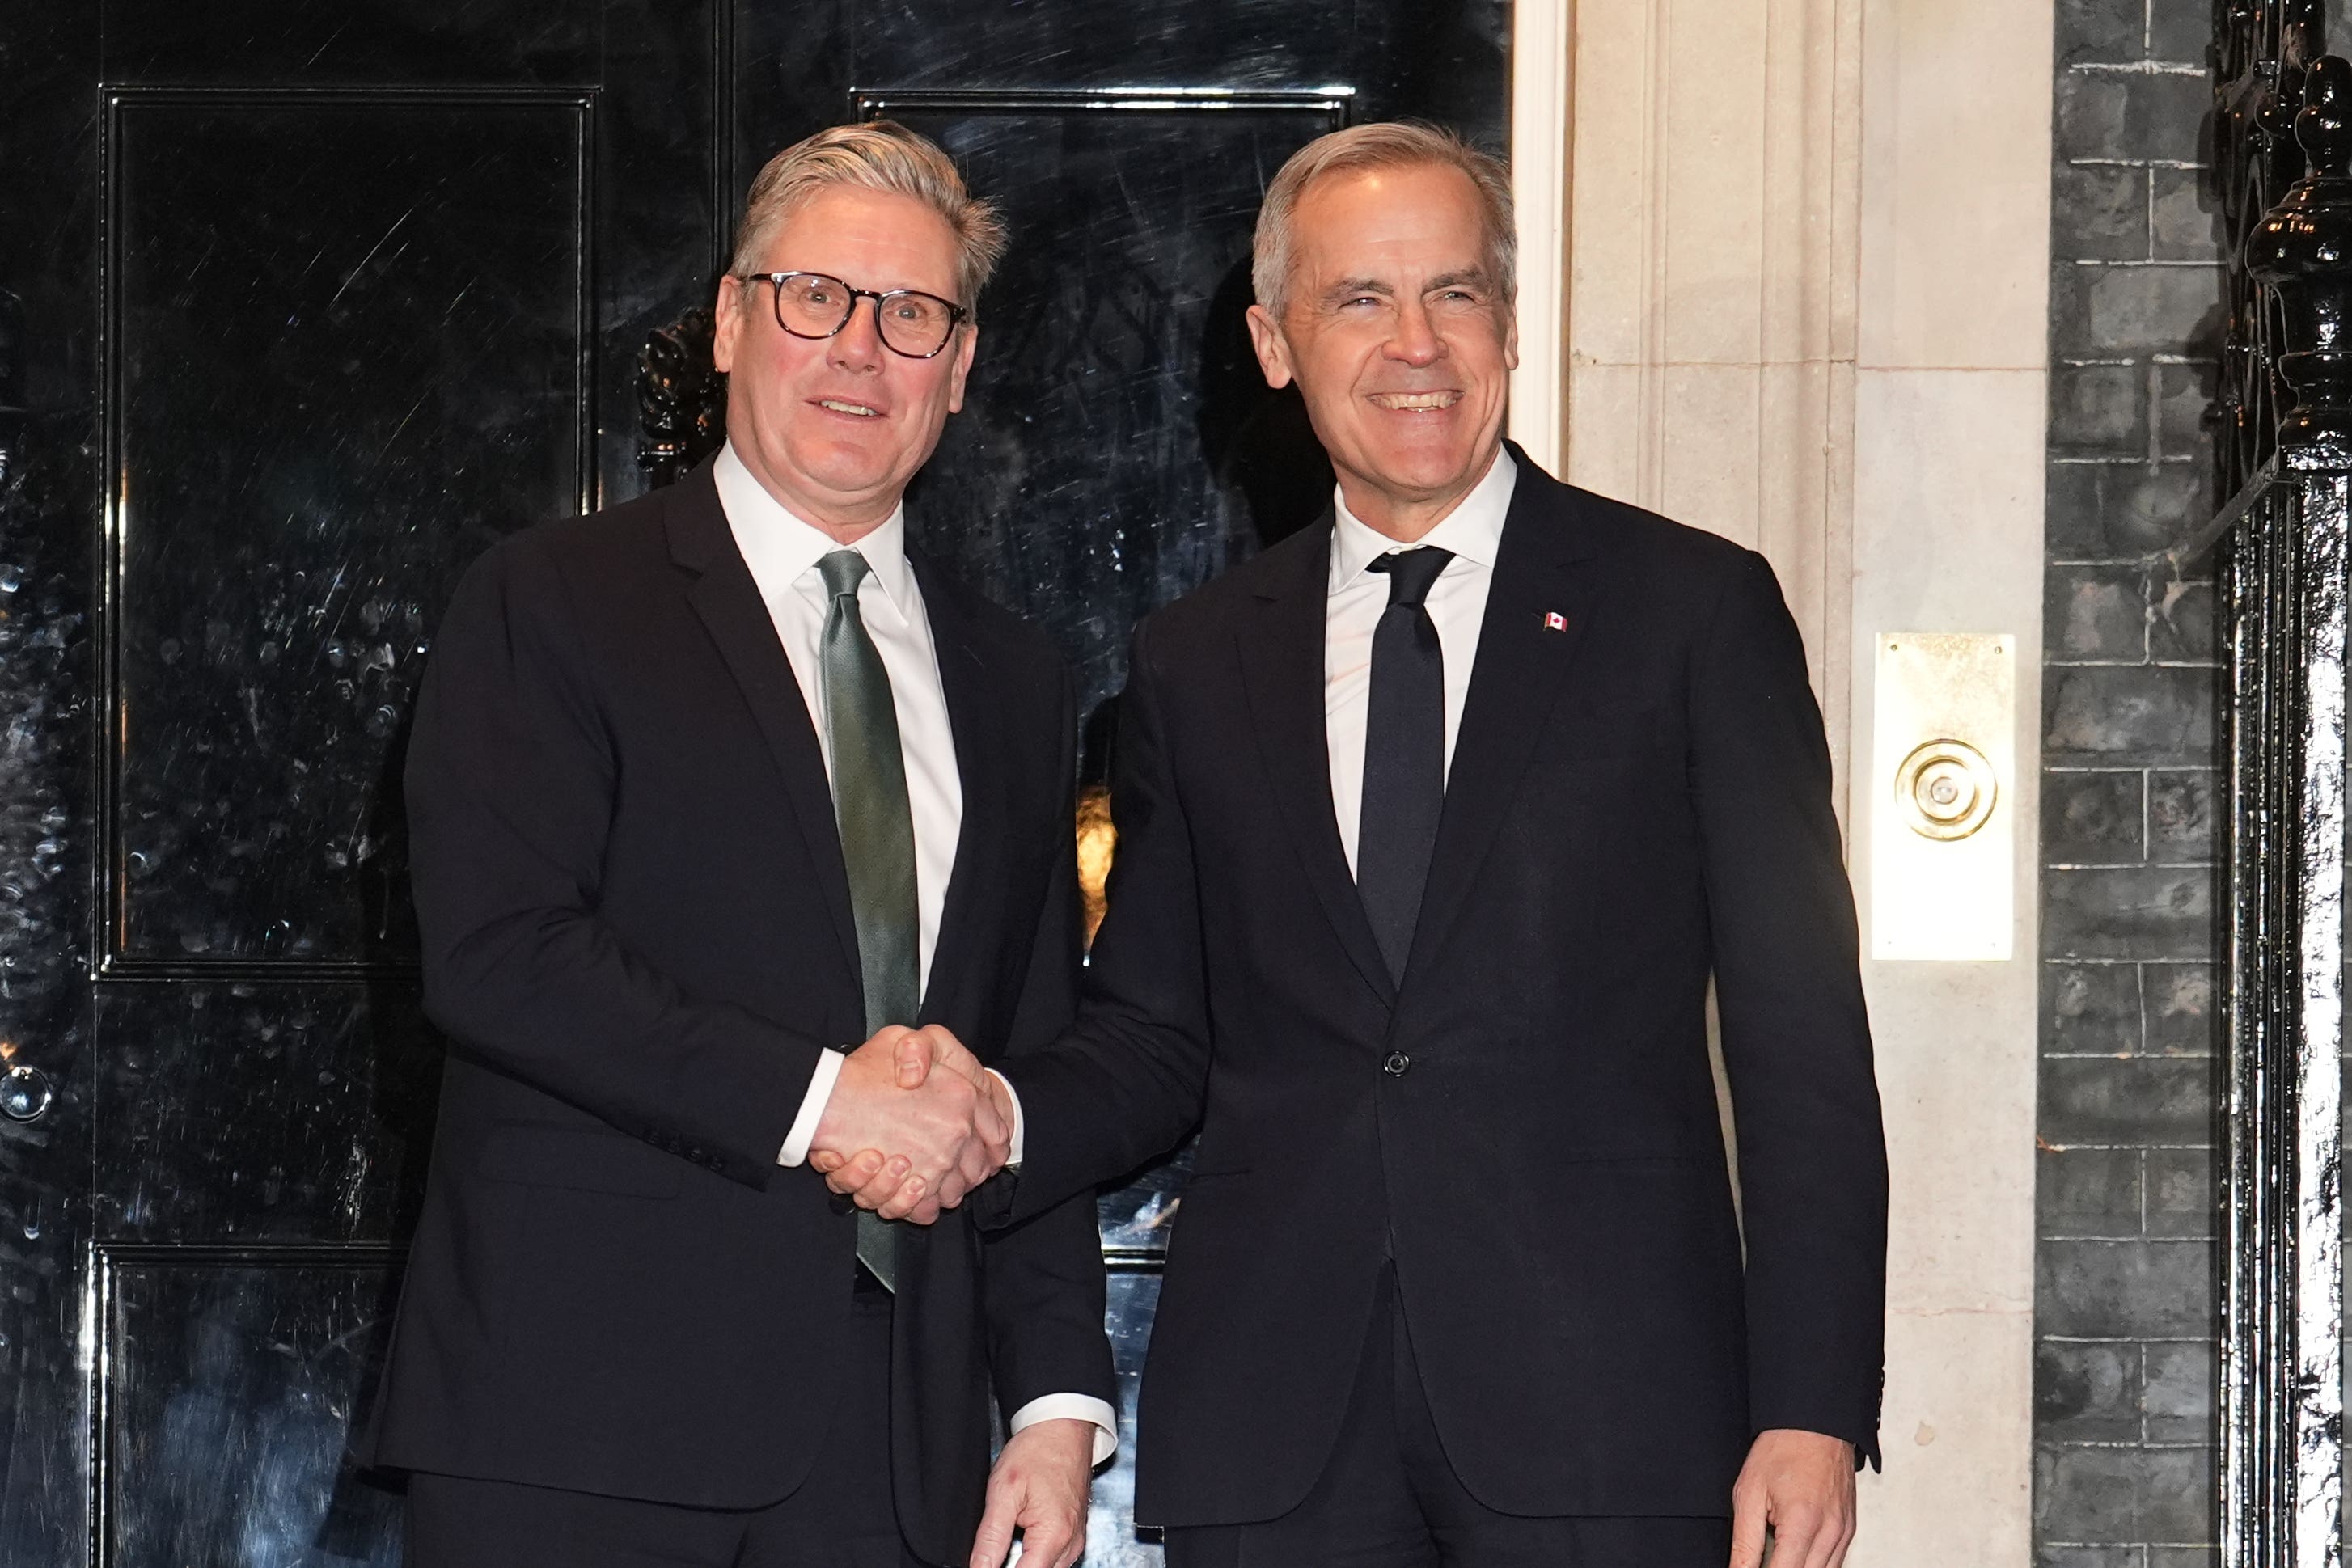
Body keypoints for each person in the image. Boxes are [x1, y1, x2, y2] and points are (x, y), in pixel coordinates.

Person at [824, 122, 1889, 1568]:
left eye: (1455, 293)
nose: (1416, 347)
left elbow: (1803, 1044)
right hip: (1276, 1440)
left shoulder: (1693, 613)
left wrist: (1813, 1407)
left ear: (1510, 324)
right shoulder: (1195, 663)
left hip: (1613, 1429)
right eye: (1360, 301)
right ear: (1275, 342)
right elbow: (1153, 1035)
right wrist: (994, 1119)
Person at [364, 121, 1114, 1568]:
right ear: (728, 321)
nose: (859, 351)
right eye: (813, 297)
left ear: (959, 369)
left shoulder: (1016, 682)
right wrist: (830, 1104)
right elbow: (500, 955)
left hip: (899, 1446)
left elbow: (1031, 1052)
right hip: (577, 1429)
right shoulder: (551, 602)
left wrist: (1055, 1403)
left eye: (912, 316)